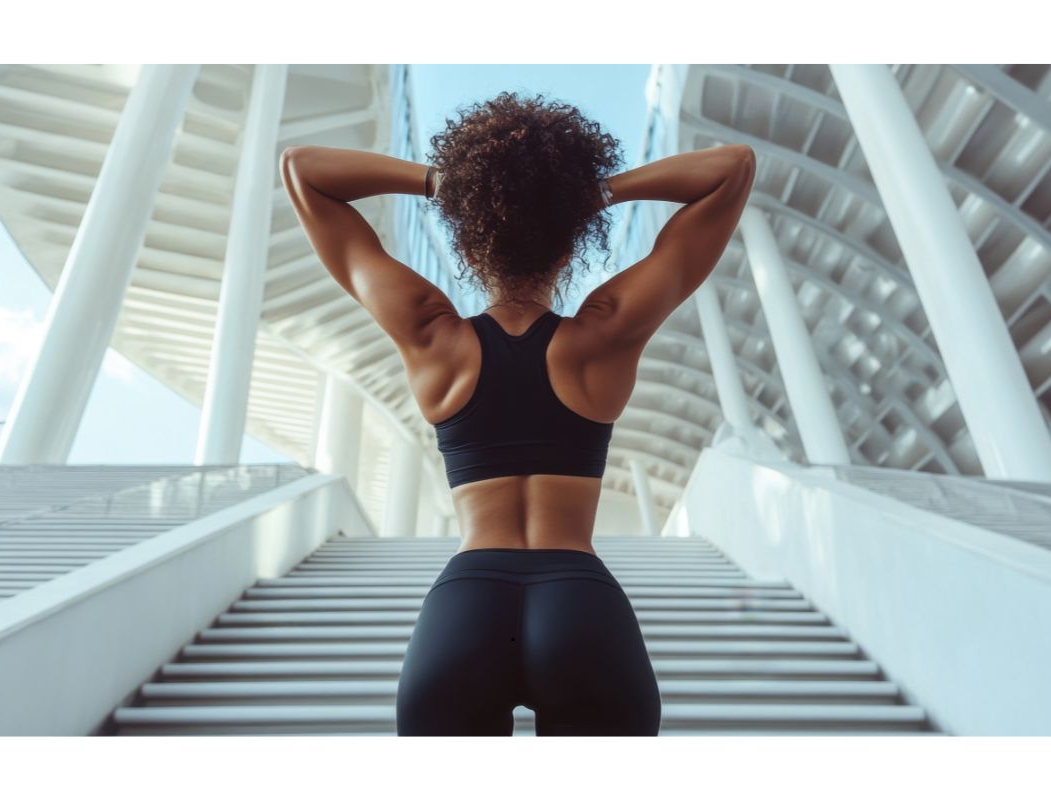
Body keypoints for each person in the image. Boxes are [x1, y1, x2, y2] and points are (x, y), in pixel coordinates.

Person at [280, 90, 756, 736]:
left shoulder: (431, 335)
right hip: (580, 599)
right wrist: (587, 194)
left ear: (471, 245)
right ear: (569, 247)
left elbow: (303, 170)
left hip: (465, 606)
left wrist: (443, 183)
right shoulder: (603, 335)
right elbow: (732, 168)